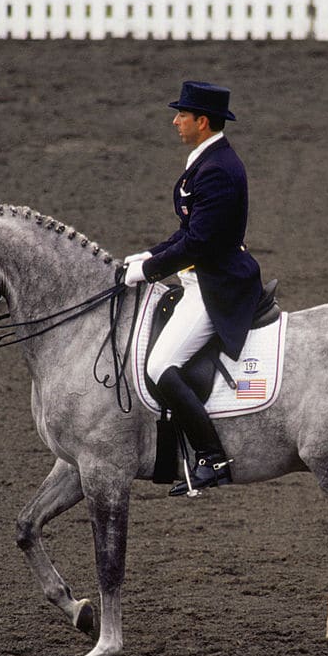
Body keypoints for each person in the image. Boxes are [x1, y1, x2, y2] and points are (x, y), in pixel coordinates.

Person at [123, 81, 264, 496]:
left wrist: (149, 271)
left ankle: (211, 457)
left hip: (215, 286)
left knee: (158, 365)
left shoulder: (218, 168)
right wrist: (147, 255)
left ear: (202, 121)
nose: (175, 121)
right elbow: (188, 230)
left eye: (181, 115)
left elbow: (200, 243)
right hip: (197, 277)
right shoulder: (207, 159)